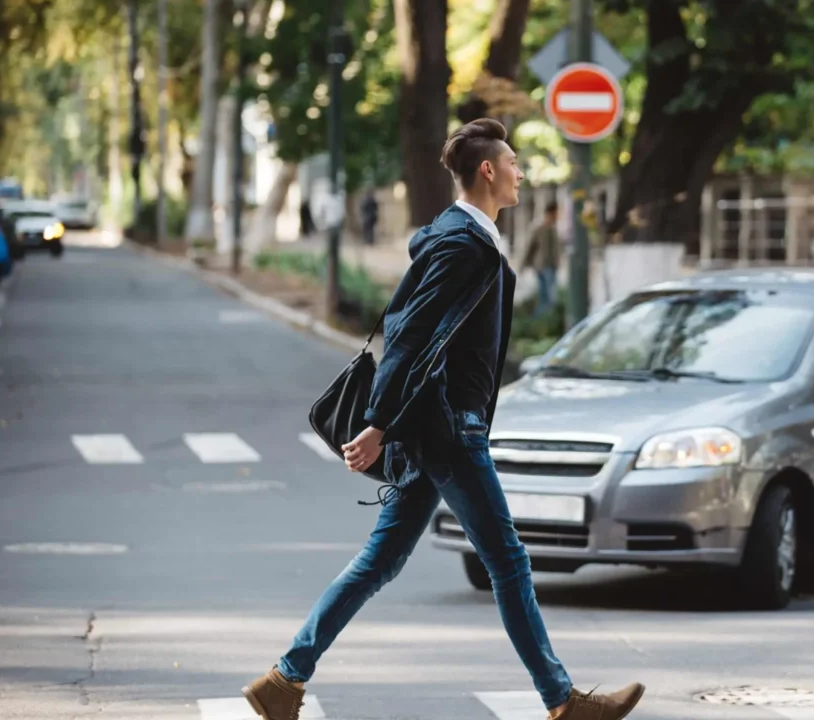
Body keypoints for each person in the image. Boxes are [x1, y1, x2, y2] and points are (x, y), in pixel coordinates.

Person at [240, 118, 645, 720]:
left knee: (380, 561)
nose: (520, 172)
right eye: (512, 162)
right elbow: (409, 338)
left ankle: (284, 680)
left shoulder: (460, 235)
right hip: (451, 429)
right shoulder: (462, 244)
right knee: (508, 561)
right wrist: (378, 424)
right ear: (488, 170)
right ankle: (561, 701)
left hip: (436, 427)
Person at [521, 200, 560, 317]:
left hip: (552, 266)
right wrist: (523, 265)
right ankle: (538, 319)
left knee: (548, 296)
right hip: (542, 266)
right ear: (551, 213)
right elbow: (529, 247)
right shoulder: (538, 227)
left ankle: (543, 319)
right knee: (548, 296)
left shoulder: (553, 228)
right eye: (556, 213)